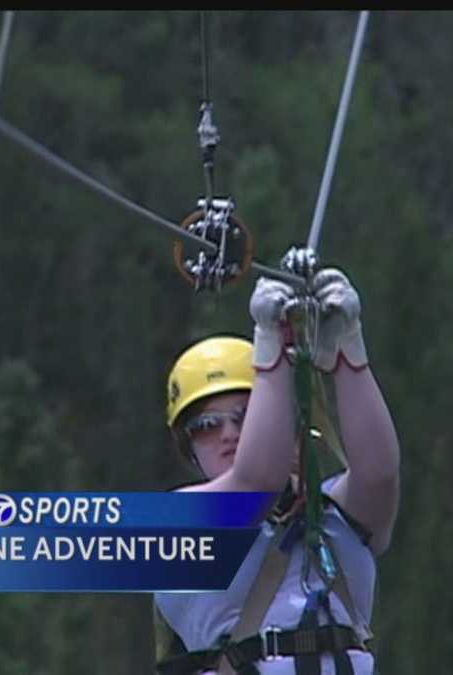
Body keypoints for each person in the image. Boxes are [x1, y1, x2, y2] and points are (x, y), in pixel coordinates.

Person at [154, 256, 400, 675]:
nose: (229, 433)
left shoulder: (334, 516)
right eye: (207, 425)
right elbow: (258, 481)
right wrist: (270, 351)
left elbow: (379, 475)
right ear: (189, 447)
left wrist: (348, 357)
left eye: (246, 414)